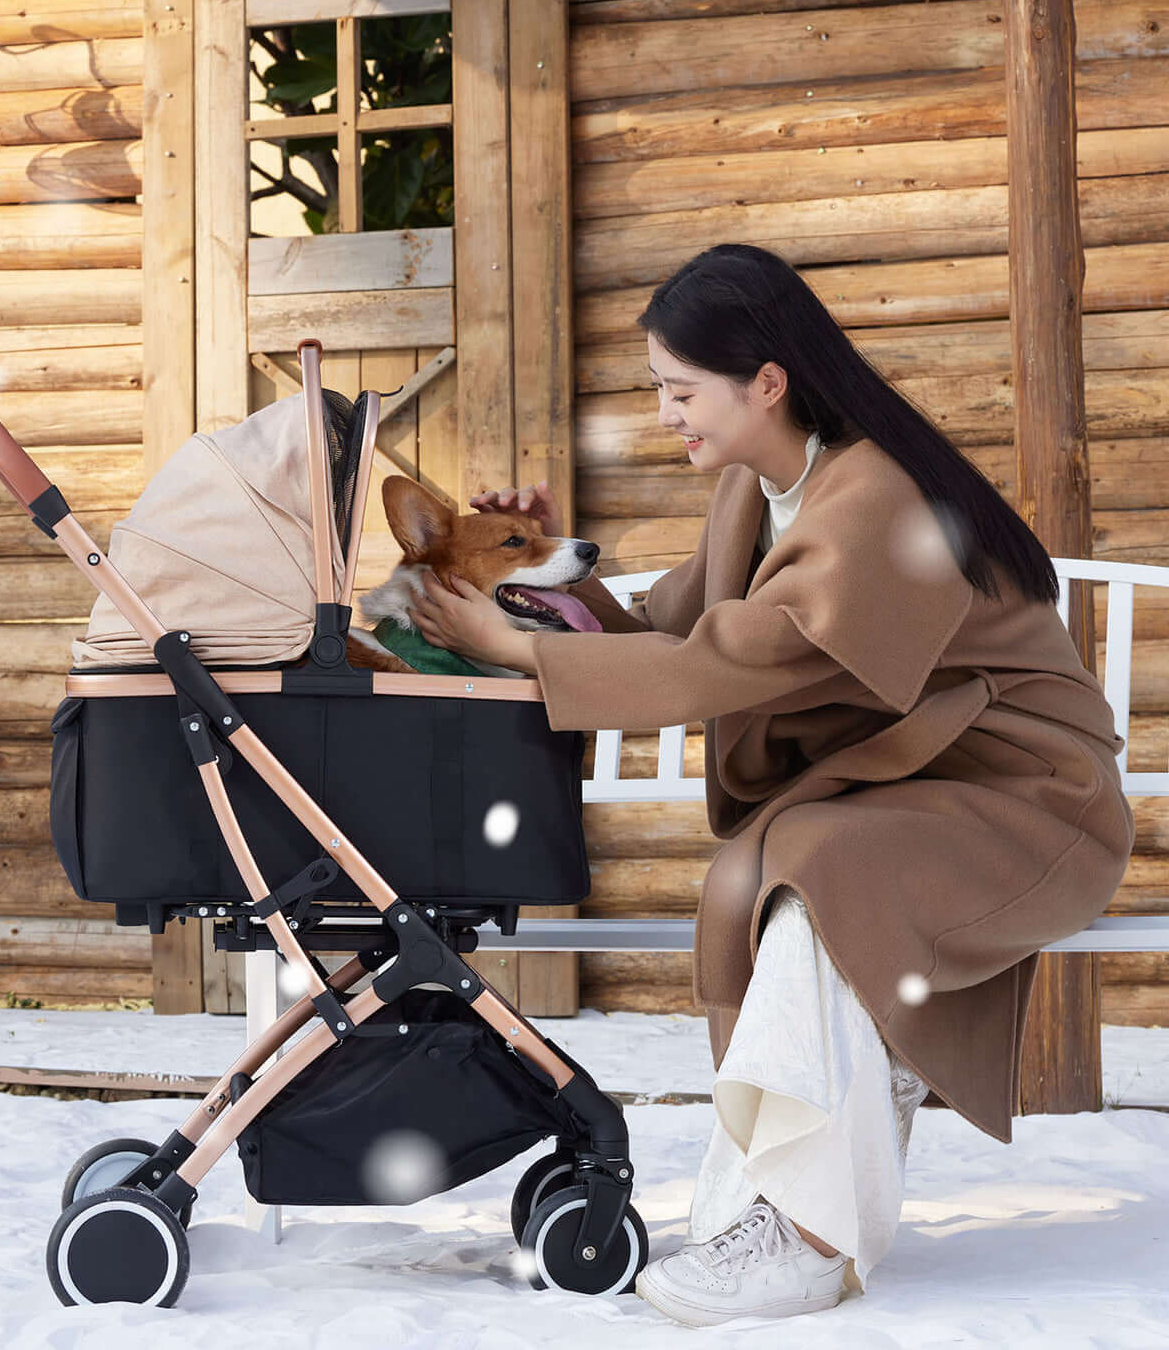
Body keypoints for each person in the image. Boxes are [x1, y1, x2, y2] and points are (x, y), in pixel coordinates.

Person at [407, 243, 1135, 1326]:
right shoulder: (760, 489)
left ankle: (800, 1233)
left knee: (810, 859)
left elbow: (735, 661)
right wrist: (538, 588)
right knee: (768, 865)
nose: (665, 414)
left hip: (1031, 804)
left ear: (765, 381)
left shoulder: (871, 495)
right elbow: (673, 629)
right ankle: (783, 1199)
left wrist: (516, 655)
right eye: (658, 390)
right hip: (920, 792)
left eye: (680, 389)